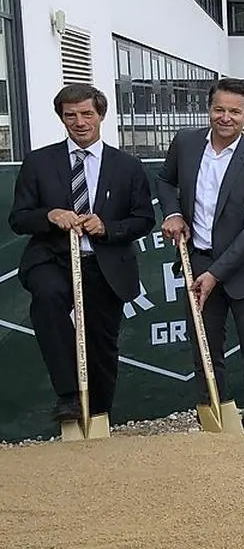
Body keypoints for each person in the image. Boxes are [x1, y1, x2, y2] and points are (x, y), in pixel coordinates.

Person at [8, 84, 155, 423]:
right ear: (61, 118)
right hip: (52, 258)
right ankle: (69, 395)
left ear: (100, 115)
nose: (79, 122)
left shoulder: (127, 167)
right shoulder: (38, 162)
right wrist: (50, 216)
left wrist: (108, 228)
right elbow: (19, 218)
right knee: (47, 298)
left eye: (87, 113)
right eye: (70, 115)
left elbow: (143, 219)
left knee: (102, 345)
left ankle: (99, 415)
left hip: (104, 265)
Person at [157, 77, 244, 433]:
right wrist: (172, 213)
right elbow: (165, 181)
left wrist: (215, 275)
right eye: (219, 109)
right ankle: (213, 416)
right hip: (197, 259)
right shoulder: (185, 143)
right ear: (209, 109)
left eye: (234, 112)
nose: (226, 118)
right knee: (206, 349)